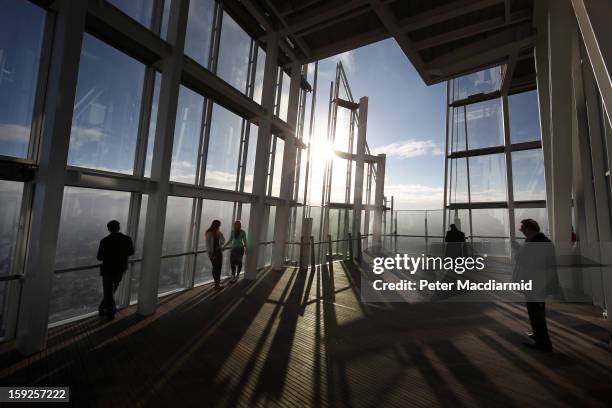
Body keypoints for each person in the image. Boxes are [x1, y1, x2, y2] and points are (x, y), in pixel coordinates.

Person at [512, 219, 559, 352]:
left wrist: (517, 249)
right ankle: (538, 335)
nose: (523, 233)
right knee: (538, 310)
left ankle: (543, 342)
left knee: (535, 312)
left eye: (524, 230)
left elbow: (524, 260)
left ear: (529, 229)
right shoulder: (546, 241)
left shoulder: (533, 244)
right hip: (541, 282)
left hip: (534, 283)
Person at [97, 220, 134, 320]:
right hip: (120, 268)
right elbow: (131, 252)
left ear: (108, 229)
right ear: (119, 227)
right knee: (111, 291)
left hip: (107, 269)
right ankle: (102, 309)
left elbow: (99, 257)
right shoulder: (127, 239)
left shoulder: (104, 241)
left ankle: (109, 312)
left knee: (108, 291)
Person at [205, 219, 225, 290]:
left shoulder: (218, 232)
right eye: (219, 225)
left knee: (218, 267)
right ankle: (216, 284)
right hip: (213, 253)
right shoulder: (209, 233)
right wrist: (210, 253)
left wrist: (219, 246)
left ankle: (217, 283)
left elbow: (223, 240)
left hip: (218, 252)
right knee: (216, 267)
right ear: (216, 225)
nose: (219, 227)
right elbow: (208, 244)